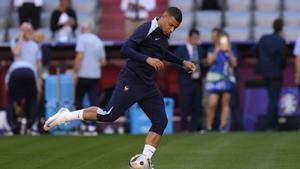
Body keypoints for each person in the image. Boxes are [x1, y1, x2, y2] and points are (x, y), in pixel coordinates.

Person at [44, 7, 195, 167]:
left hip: (148, 85)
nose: (172, 29)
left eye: (175, 28)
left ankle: (145, 160)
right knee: (109, 115)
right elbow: (125, 49)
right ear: (164, 17)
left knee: (161, 121)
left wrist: (182, 62)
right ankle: (66, 116)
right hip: (131, 80)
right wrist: (147, 59)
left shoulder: (164, 35)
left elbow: (162, 52)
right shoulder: (147, 28)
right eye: (171, 25)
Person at [5, 22, 42, 134]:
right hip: (17, 71)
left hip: (28, 72)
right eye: (25, 30)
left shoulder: (35, 45)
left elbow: (38, 64)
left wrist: (38, 80)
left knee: (32, 99)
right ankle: (12, 126)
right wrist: (21, 37)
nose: (27, 32)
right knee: (12, 99)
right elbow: (16, 52)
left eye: (29, 30)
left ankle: (34, 125)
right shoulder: (16, 42)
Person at [73, 20, 107, 135]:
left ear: (83, 28)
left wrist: (75, 73)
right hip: (95, 75)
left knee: (78, 100)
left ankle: (84, 125)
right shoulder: (98, 41)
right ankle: (93, 126)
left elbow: (79, 57)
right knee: (94, 101)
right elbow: (103, 62)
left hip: (83, 74)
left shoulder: (82, 39)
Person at [254, 18, 287, 130]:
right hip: (276, 73)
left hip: (265, 72)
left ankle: (274, 124)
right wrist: (280, 66)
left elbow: (254, 50)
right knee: (273, 99)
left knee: (272, 98)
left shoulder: (264, 38)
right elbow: (283, 59)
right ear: (281, 28)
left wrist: (263, 61)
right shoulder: (280, 41)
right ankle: (269, 125)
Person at [205, 32, 238, 132]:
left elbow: (234, 64)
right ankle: (209, 126)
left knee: (225, 103)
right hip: (214, 79)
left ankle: (223, 126)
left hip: (226, 79)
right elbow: (209, 61)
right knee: (212, 104)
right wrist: (217, 50)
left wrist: (229, 53)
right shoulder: (212, 50)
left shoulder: (230, 51)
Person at [175, 29, 204, 132]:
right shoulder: (181, 50)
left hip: (197, 82)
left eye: (197, 38)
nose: (196, 40)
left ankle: (194, 128)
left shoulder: (200, 49)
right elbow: (175, 64)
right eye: (195, 38)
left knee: (197, 106)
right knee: (185, 106)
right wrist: (185, 68)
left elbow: (203, 62)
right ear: (189, 38)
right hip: (186, 81)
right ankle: (184, 128)